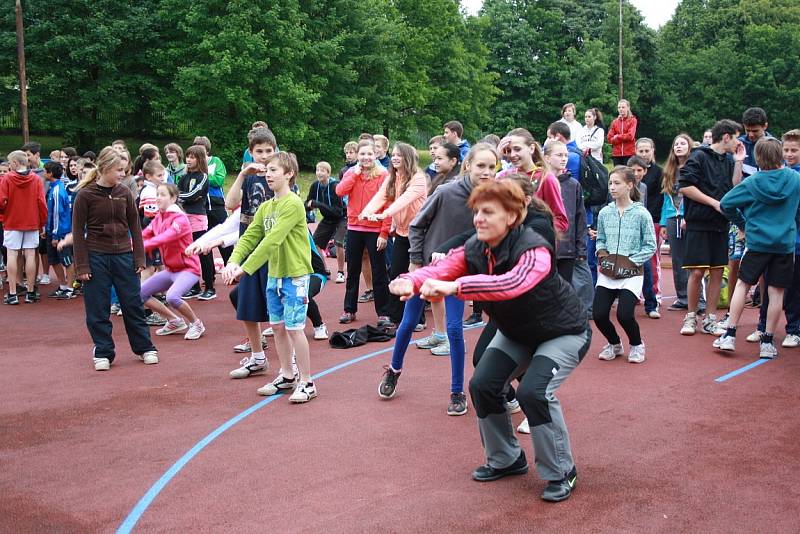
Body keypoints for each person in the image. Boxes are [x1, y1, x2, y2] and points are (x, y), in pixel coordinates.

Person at [390, 179, 591, 502]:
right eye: (477, 212)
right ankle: (506, 459)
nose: (478, 219)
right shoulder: (475, 248)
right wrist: (409, 281)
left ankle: (561, 472)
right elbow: (441, 268)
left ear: (512, 216)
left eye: (488, 212)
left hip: (563, 332)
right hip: (518, 332)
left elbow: (512, 284)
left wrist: (455, 288)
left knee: (534, 392)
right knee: (483, 384)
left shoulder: (534, 247)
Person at [379, 143, 500, 416]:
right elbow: (417, 224)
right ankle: (394, 369)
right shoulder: (446, 191)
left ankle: (457, 391)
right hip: (427, 270)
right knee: (409, 322)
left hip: (459, 273)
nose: (486, 171)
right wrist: (416, 260)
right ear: (467, 165)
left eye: (492, 167)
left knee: (455, 329)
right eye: (481, 165)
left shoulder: (493, 199)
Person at [222, 152, 317, 403]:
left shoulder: (293, 203)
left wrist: (245, 268)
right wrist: (232, 261)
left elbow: (272, 240)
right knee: (277, 327)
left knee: (296, 328)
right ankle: (287, 375)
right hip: (274, 275)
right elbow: (250, 237)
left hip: (294, 275)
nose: (268, 174)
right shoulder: (266, 207)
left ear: (289, 174)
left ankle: (307, 382)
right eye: (267, 170)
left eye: (273, 170)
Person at [71, 147, 158, 370]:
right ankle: (103, 352)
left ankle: (145, 348)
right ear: (105, 168)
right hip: (96, 257)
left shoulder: (124, 193)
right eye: (119, 170)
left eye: (124, 170)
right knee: (97, 307)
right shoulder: (85, 195)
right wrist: (82, 265)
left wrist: (139, 258)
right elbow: (78, 233)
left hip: (123, 256)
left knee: (132, 304)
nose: (122, 174)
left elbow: (135, 228)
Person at [714, 137, 800, 359]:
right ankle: (768, 342)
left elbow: (726, 204)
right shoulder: (795, 179)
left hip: (758, 243)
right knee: (776, 291)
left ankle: (730, 334)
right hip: (784, 244)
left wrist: (744, 225)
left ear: (758, 158)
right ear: (780, 155)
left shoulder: (753, 182)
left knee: (743, 284)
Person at [678, 119, 745, 336]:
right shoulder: (699, 156)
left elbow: (735, 186)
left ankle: (710, 318)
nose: (738, 142)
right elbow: (685, 187)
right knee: (697, 271)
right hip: (699, 222)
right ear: (726, 136)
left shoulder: (728, 160)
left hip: (720, 224)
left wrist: (739, 162)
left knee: (717, 272)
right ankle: (690, 317)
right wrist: (713, 202)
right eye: (736, 137)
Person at [360, 142, 428, 327]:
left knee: (415, 275)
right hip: (401, 232)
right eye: (394, 155)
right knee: (397, 273)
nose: (396, 158)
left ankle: (418, 319)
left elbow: (405, 201)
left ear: (408, 158)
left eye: (400, 155)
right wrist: (366, 212)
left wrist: (384, 214)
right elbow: (381, 196)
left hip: (419, 232)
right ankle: (395, 315)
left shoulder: (418, 178)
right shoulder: (393, 176)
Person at [593, 166, 656, 363]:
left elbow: (650, 245)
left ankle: (637, 345)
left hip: (632, 273)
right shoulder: (605, 212)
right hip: (609, 271)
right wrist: (602, 255)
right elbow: (600, 239)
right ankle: (614, 343)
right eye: (610, 183)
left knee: (624, 314)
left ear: (630, 185)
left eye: (617, 183)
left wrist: (631, 262)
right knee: (599, 314)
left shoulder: (641, 213)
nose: (612, 187)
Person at [223, 127, 277, 360]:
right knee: (245, 300)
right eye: (259, 151)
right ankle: (257, 354)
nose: (264, 156)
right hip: (249, 242)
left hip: (274, 245)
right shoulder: (248, 176)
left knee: (276, 301)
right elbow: (230, 203)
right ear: (251, 152)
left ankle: (290, 357)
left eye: (268, 151)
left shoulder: (281, 174)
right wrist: (243, 174)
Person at [746, 129, 800, 347]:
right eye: (786, 149)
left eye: (794, 150)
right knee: (768, 286)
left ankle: (794, 329)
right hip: (771, 242)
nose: (789, 154)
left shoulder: (794, 179)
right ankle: (763, 327)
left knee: (793, 288)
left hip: (793, 242)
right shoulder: (773, 174)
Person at [335, 139, 392, 325]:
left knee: (379, 271)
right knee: (352, 270)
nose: (366, 157)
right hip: (354, 227)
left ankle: (383, 312)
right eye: (362, 154)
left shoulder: (383, 175)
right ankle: (349, 309)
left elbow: (388, 204)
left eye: (369, 154)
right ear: (357, 156)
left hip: (375, 229)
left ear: (375, 155)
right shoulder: (352, 172)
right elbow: (340, 191)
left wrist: (384, 233)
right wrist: (355, 174)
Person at [140, 183, 205, 340]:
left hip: (189, 269)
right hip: (171, 270)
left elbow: (164, 237)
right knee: (140, 293)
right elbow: (145, 234)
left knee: (172, 296)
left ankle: (196, 323)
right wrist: (129, 245)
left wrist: (143, 246)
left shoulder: (180, 220)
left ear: (173, 198)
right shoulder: (159, 217)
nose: (158, 198)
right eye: (157, 194)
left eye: (162, 194)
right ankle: (174, 320)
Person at [496, 128, 569, 232]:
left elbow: (561, 221)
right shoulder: (504, 176)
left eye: (517, 149)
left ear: (531, 148)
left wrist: (536, 236)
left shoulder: (546, 178)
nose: (512, 155)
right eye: (508, 151)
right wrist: (497, 157)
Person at [0, 151, 47, 304]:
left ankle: (13, 293)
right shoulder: (35, 179)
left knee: (12, 255)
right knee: (30, 254)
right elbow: (41, 202)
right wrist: (42, 222)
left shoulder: (7, 178)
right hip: (32, 220)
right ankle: (31, 291)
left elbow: (1, 201)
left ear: (14, 163)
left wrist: (4, 213)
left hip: (12, 221)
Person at [660, 134, 695, 311]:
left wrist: (689, 216)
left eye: (683, 143)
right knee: (677, 259)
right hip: (672, 217)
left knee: (694, 259)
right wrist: (664, 223)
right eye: (676, 144)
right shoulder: (669, 170)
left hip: (690, 217)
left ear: (690, 147)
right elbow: (666, 198)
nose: (679, 146)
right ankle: (682, 297)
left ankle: (698, 300)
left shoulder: (695, 167)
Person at [544, 141, 586, 284]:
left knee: (564, 292)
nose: (564, 158)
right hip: (543, 248)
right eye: (559, 155)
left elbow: (580, 218)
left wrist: (580, 248)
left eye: (566, 155)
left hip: (566, 249)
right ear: (547, 158)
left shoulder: (573, 185)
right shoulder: (539, 182)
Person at [193, 136, 230, 293]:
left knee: (224, 238)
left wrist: (204, 174)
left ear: (206, 149)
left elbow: (219, 180)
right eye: (196, 147)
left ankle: (232, 268)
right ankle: (209, 277)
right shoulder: (193, 164)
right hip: (202, 207)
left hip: (216, 203)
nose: (199, 150)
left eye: (201, 147)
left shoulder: (216, 161)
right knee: (205, 241)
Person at [177, 145, 212, 300]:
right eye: (188, 156)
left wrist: (183, 197)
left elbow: (194, 194)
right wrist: (183, 197)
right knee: (188, 253)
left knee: (203, 253)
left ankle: (210, 287)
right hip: (184, 218)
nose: (189, 160)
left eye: (192, 157)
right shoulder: (184, 177)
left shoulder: (203, 176)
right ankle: (194, 286)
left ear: (200, 159)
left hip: (197, 218)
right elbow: (176, 194)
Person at [627, 155, 659, 318]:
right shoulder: (621, 186)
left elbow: (643, 210)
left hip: (639, 235)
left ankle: (651, 305)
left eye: (639, 170)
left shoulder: (644, 188)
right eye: (632, 170)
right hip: (623, 234)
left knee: (646, 268)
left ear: (645, 171)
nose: (636, 173)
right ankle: (624, 300)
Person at [306, 161, 346, 283]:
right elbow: (308, 202)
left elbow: (338, 211)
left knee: (339, 242)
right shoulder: (315, 186)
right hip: (328, 218)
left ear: (328, 173)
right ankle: (324, 269)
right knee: (315, 242)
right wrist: (308, 206)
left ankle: (341, 272)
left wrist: (318, 205)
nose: (319, 173)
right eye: (317, 170)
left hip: (342, 217)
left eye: (322, 170)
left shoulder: (335, 186)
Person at [43, 161, 75, 299]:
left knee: (66, 260)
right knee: (54, 260)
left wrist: (55, 234)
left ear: (50, 173)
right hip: (53, 231)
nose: (43, 174)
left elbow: (57, 214)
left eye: (45, 171)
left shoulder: (57, 190)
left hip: (61, 232)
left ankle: (69, 287)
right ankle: (62, 285)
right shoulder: (53, 188)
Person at [607, 99, 637, 166]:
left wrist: (617, 136)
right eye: (619, 107)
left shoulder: (633, 120)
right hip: (616, 154)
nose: (621, 109)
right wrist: (622, 137)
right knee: (618, 174)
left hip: (629, 154)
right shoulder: (615, 122)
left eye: (623, 107)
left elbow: (630, 136)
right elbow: (609, 138)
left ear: (628, 108)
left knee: (628, 174)